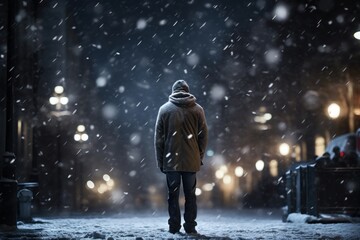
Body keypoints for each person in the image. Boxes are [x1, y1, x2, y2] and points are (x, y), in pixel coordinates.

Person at [154, 80, 208, 234]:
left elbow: (158, 139)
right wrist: (199, 156)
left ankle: (174, 226)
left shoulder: (164, 110)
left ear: (173, 91)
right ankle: (190, 226)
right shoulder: (198, 110)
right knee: (191, 196)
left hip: (171, 161)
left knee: (173, 195)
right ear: (187, 90)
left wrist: (161, 161)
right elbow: (204, 136)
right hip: (191, 161)